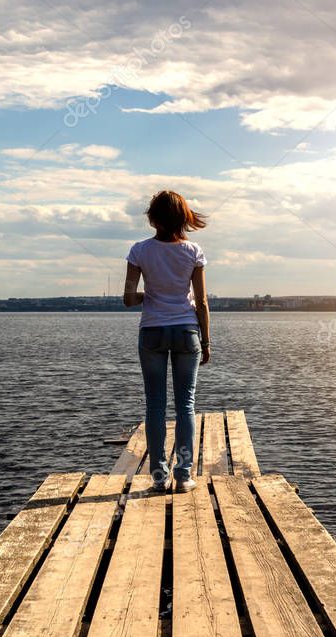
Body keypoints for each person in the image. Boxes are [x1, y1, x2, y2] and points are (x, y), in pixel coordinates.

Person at [123, 190, 211, 493]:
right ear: (183, 217)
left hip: (152, 332)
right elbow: (201, 302)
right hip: (187, 331)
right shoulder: (193, 251)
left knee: (155, 406)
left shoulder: (139, 251)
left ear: (153, 217)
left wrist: (152, 294)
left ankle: (159, 477)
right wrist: (207, 341)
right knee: (186, 405)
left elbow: (128, 299)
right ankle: (183, 476)